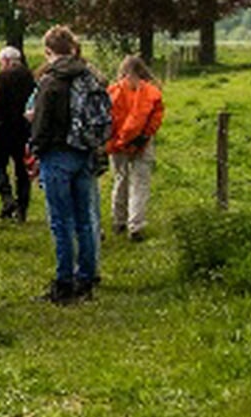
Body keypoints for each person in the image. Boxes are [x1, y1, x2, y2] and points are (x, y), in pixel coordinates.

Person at [29, 25, 108, 303]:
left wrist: (35, 149)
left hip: (57, 153)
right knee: (84, 219)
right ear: (73, 48)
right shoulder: (89, 76)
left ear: (48, 51)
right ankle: (85, 278)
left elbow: (41, 123)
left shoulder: (50, 81)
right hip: (84, 151)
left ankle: (64, 282)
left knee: (60, 220)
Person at [107, 54, 166, 242]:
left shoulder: (113, 91)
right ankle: (136, 224)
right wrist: (145, 136)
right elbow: (155, 117)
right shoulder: (152, 92)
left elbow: (108, 120)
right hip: (142, 143)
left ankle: (119, 220)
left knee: (120, 179)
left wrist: (117, 141)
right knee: (140, 183)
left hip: (118, 144)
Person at [0, 46, 35, 222]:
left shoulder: (2, 78)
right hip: (23, 128)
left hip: (4, 128)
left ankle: (7, 198)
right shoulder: (29, 77)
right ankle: (22, 207)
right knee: (22, 169)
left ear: (6, 61)